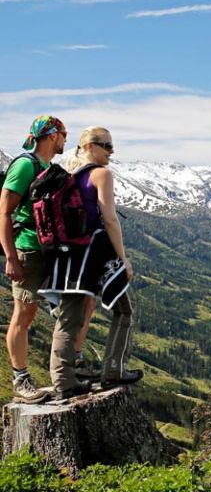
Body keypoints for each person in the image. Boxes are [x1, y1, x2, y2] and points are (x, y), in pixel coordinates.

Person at [40, 126, 141, 400]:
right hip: (89, 258)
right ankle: (79, 379)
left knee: (72, 317)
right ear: (89, 147)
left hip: (67, 258)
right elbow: (109, 219)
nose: (111, 151)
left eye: (111, 145)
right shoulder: (101, 174)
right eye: (105, 145)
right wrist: (123, 259)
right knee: (115, 312)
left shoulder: (72, 174)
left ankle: (77, 375)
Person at [1, 116, 68, 403]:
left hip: (48, 251)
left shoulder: (48, 168)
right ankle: (20, 379)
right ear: (52, 135)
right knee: (24, 316)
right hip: (27, 250)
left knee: (66, 309)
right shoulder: (26, 165)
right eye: (64, 133)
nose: (66, 138)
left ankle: (67, 373)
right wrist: (11, 257)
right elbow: (4, 211)